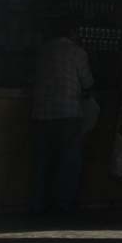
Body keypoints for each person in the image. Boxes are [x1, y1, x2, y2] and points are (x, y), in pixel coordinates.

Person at [30, 17, 94, 214]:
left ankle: (38, 205)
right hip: (68, 113)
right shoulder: (77, 53)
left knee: (42, 162)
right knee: (68, 161)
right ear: (72, 32)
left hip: (41, 113)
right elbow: (88, 82)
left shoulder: (42, 51)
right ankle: (64, 207)